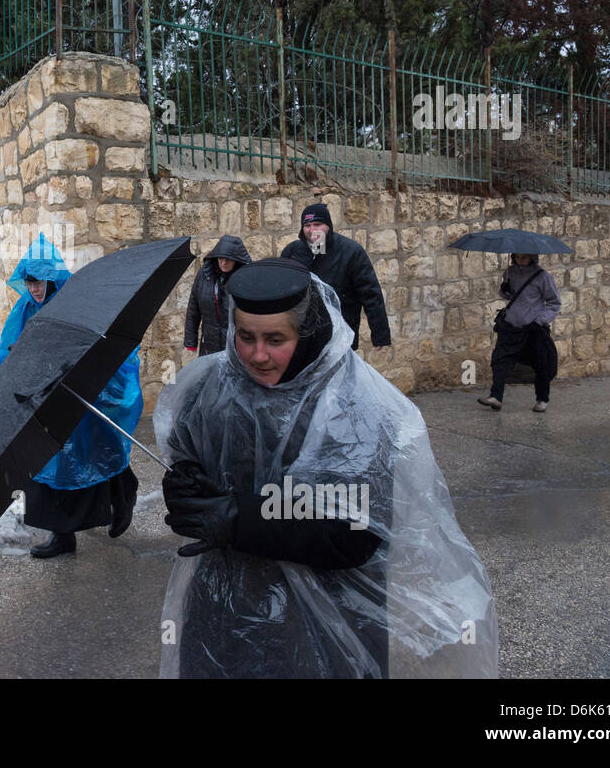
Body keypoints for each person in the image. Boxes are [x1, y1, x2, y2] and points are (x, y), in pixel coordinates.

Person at [156, 258, 498, 678]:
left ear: (307, 333)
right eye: (245, 336)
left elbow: (356, 533)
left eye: (275, 339)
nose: (257, 355)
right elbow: (186, 460)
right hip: (221, 613)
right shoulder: (209, 387)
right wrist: (185, 491)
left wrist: (239, 520)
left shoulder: (357, 406)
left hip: (323, 626)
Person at [0, 235, 143, 559]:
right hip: (47, 397)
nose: (34, 289)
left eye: (40, 281)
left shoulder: (76, 299)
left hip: (87, 392)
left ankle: (123, 494)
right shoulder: (27, 308)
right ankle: (62, 536)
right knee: (49, 465)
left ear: (52, 277)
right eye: (30, 282)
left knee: (100, 449)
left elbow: (101, 342)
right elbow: (10, 347)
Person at [280, 203, 390, 351]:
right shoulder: (292, 251)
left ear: (328, 226)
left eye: (317, 224)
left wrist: (380, 335)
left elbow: (371, 294)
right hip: (301, 335)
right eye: (307, 225)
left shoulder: (351, 252)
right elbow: (281, 290)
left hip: (340, 337)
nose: (312, 230)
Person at [478, 253, 561, 412]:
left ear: (532, 258)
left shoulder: (543, 277)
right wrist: (505, 290)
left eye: (524, 258)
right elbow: (509, 295)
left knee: (541, 363)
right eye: (517, 257)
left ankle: (542, 399)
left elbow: (554, 303)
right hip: (510, 326)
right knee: (500, 359)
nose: (520, 261)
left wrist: (540, 321)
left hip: (533, 329)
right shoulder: (510, 272)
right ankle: (496, 396)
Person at [184, 235, 252, 356]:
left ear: (236, 259)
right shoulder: (205, 275)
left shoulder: (245, 278)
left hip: (236, 348)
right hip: (209, 345)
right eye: (221, 258)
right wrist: (190, 341)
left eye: (228, 259)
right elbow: (193, 308)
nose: (224, 262)